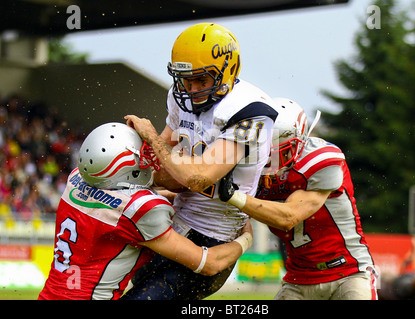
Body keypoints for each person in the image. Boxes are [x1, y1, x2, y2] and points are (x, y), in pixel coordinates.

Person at [122, 22, 278, 300]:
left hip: (212, 238)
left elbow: (199, 177)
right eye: (186, 80)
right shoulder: (180, 97)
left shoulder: (250, 110)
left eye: (201, 81)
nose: (191, 89)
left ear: (228, 72)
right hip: (173, 222)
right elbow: (160, 160)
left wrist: (152, 140)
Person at [38, 122, 252, 300]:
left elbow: (111, 200)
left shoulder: (75, 179)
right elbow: (209, 263)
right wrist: (246, 238)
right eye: (141, 156)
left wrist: (172, 194)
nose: (148, 160)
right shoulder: (138, 210)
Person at [218, 98, 378, 300]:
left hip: (348, 272)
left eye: (277, 152)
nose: (269, 160)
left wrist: (233, 195)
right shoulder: (251, 169)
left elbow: (289, 217)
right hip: (299, 279)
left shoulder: (321, 161)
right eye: (264, 151)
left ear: (299, 141)